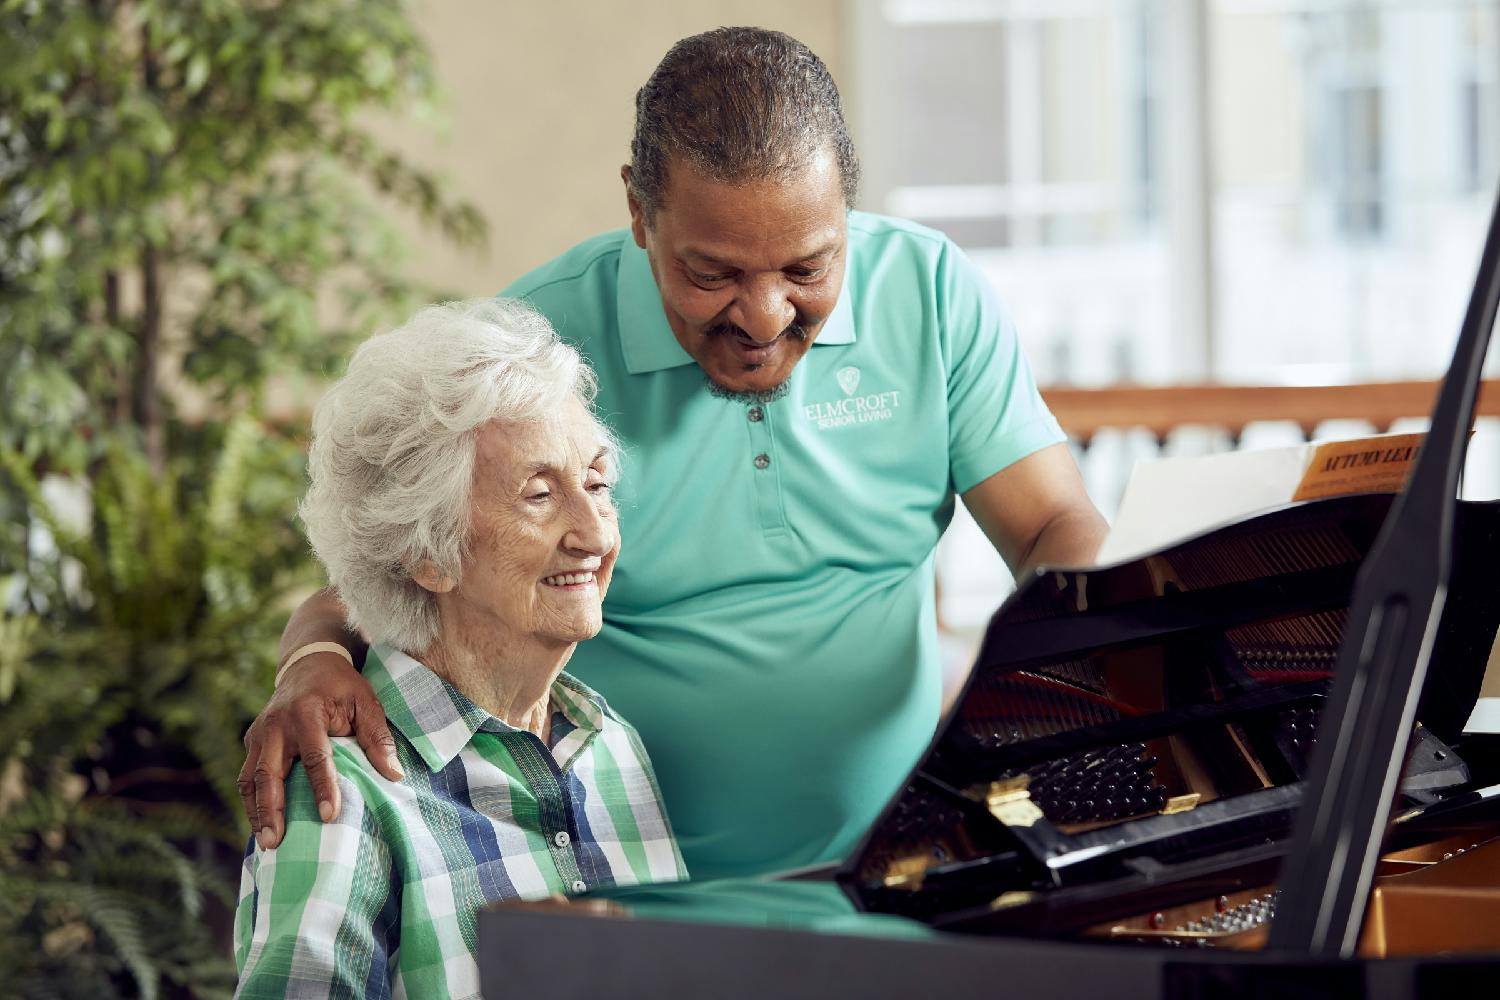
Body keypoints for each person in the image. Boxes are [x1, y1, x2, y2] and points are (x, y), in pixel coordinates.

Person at [239, 27, 1108, 881]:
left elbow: (1053, 526)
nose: (765, 317)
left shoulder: (929, 289)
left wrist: (1076, 672)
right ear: (639, 212)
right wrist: (312, 659)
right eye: (714, 275)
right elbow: (395, 566)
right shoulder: (534, 346)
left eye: (808, 268)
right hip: (627, 886)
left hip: (902, 867)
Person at [234, 299, 684, 998]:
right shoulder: (342, 789)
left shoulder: (609, 747)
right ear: (428, 554)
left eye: (597, 485)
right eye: (539, 496)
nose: (594, 534)